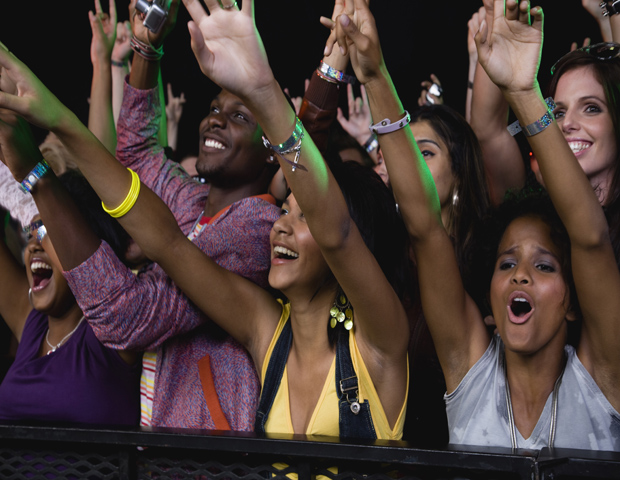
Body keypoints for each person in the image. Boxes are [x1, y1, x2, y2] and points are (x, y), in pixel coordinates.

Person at [0, 0, 411, 440]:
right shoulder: (191, 204)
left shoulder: (255, 226)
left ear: (270, 151)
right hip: (159, 453)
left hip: (204, 461)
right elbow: (137, 158)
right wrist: (146, 48)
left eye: (238, 116)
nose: (215, 120)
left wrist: (53, 139)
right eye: (214, 108)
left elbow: (130, 311)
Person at [356, 0, 620, 450]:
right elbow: (424, 228)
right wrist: (375, 76)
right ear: (488, 303)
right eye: (506, 264)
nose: (521, 275)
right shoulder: (470, 373)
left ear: (576, 303)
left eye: (545, 266)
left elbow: (590, 238)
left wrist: (525, 93)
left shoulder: (603, 381)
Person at [0, 112, 140, 425]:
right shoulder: (31, 323)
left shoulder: (117, 334)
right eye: (33, 234)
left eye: (47, 233)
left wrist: (33, 172)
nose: (34, 245)